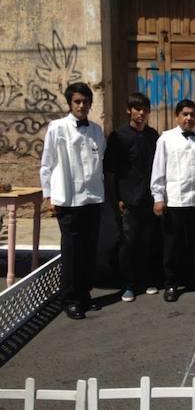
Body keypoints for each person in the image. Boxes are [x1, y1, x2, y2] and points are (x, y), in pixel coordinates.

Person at [40, 82, 105, 320]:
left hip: (93, 198)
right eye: (77, 101)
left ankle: (85, 295)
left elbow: (100, 160)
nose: (81, 105)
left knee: (89, 249)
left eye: (85, 101)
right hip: (68, 199)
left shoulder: (96, 130)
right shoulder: (57, 128)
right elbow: (47, 163)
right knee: (72, 251)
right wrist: (49, 195)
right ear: (70, 103)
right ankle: (69, 299)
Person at [150, 99, 195, 302]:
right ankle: (171, 284)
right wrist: (158, 197)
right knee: (172, 245)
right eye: (185, 114)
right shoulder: (166, 139)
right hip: (175, 201)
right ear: (177, 116)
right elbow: (158, 169)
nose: (189, 118)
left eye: (192, 115)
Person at [104, 92, 160, 302]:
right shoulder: (118, 137)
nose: (141, 113)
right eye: (137, 109)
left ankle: (148, 279)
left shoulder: (153, 136)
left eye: (145, 109)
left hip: (150, 198)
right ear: (129, 110)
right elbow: (110, 171)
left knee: (149, 241)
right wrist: (117, 198)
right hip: (128, 199)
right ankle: (128, 284)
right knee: (128, 243)